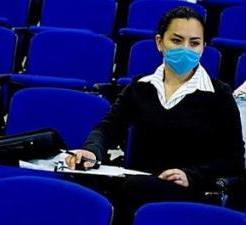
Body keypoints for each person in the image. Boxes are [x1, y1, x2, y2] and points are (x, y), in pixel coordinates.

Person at [65, 6, 245, 225]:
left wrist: (191, 175)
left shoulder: (219, 95)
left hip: (189, 191)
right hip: (137, 183)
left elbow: (234, 160)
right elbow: (107, 128)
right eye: (177, 41)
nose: (186, 49)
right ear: (160, 42)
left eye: (194, 43)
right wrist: (92, 150)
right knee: (80, 183)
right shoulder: (140, 87)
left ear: (203, 47)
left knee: (130, 192)